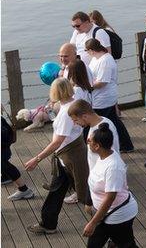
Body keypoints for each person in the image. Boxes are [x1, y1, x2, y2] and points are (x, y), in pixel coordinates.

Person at [25, 78, 90, 235]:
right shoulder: (73, 104)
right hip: (66, 157)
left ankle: (108, 220)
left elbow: (57, 142)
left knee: (86, 192)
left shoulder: (65, 114)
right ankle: (48, 224)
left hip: (70, 157)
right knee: (57, 191)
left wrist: (37, 158)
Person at [83, 123, 139, 247]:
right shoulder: (104, 155)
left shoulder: (113, 167)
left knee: (125, 244)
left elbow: (110, 197)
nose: (87, 141)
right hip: (107, 215)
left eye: (90, 140)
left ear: (97, 146)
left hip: (117, 216)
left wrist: (92, 223)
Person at [85, 39, 134, 152]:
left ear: (92, 50)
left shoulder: (105, 61)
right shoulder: (96, 59)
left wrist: (89, 86)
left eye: (87, 51)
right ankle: (126, 145)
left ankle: (101, 145)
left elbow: (102, 82)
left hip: (104, 98)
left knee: (96, 122)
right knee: (114, 121)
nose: (87, 53)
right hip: (100, 97)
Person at [2, 107, 35, 201]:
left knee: (5, 165)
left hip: (3, 147)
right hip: (4, 147)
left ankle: (24, 190)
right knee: (6, 166)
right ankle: (24, 190)